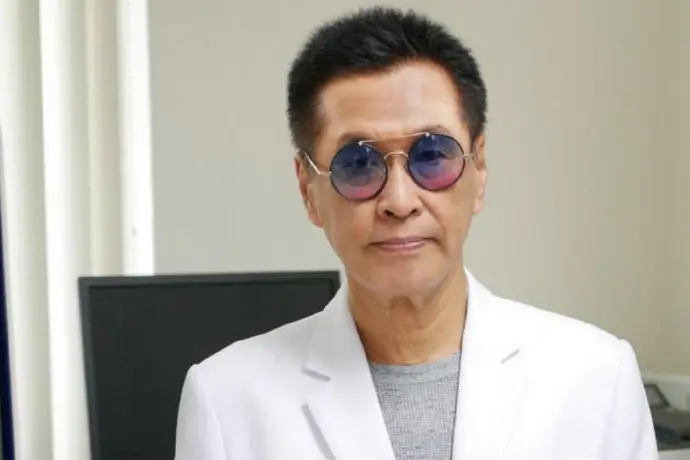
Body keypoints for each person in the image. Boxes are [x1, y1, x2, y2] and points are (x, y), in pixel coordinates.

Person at [175, 7, 657, 460]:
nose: (400, 201)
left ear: (479, 169)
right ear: (308, 189)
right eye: (358, 163)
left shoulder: (597, 379)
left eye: (431, 155)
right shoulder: (228, 400)